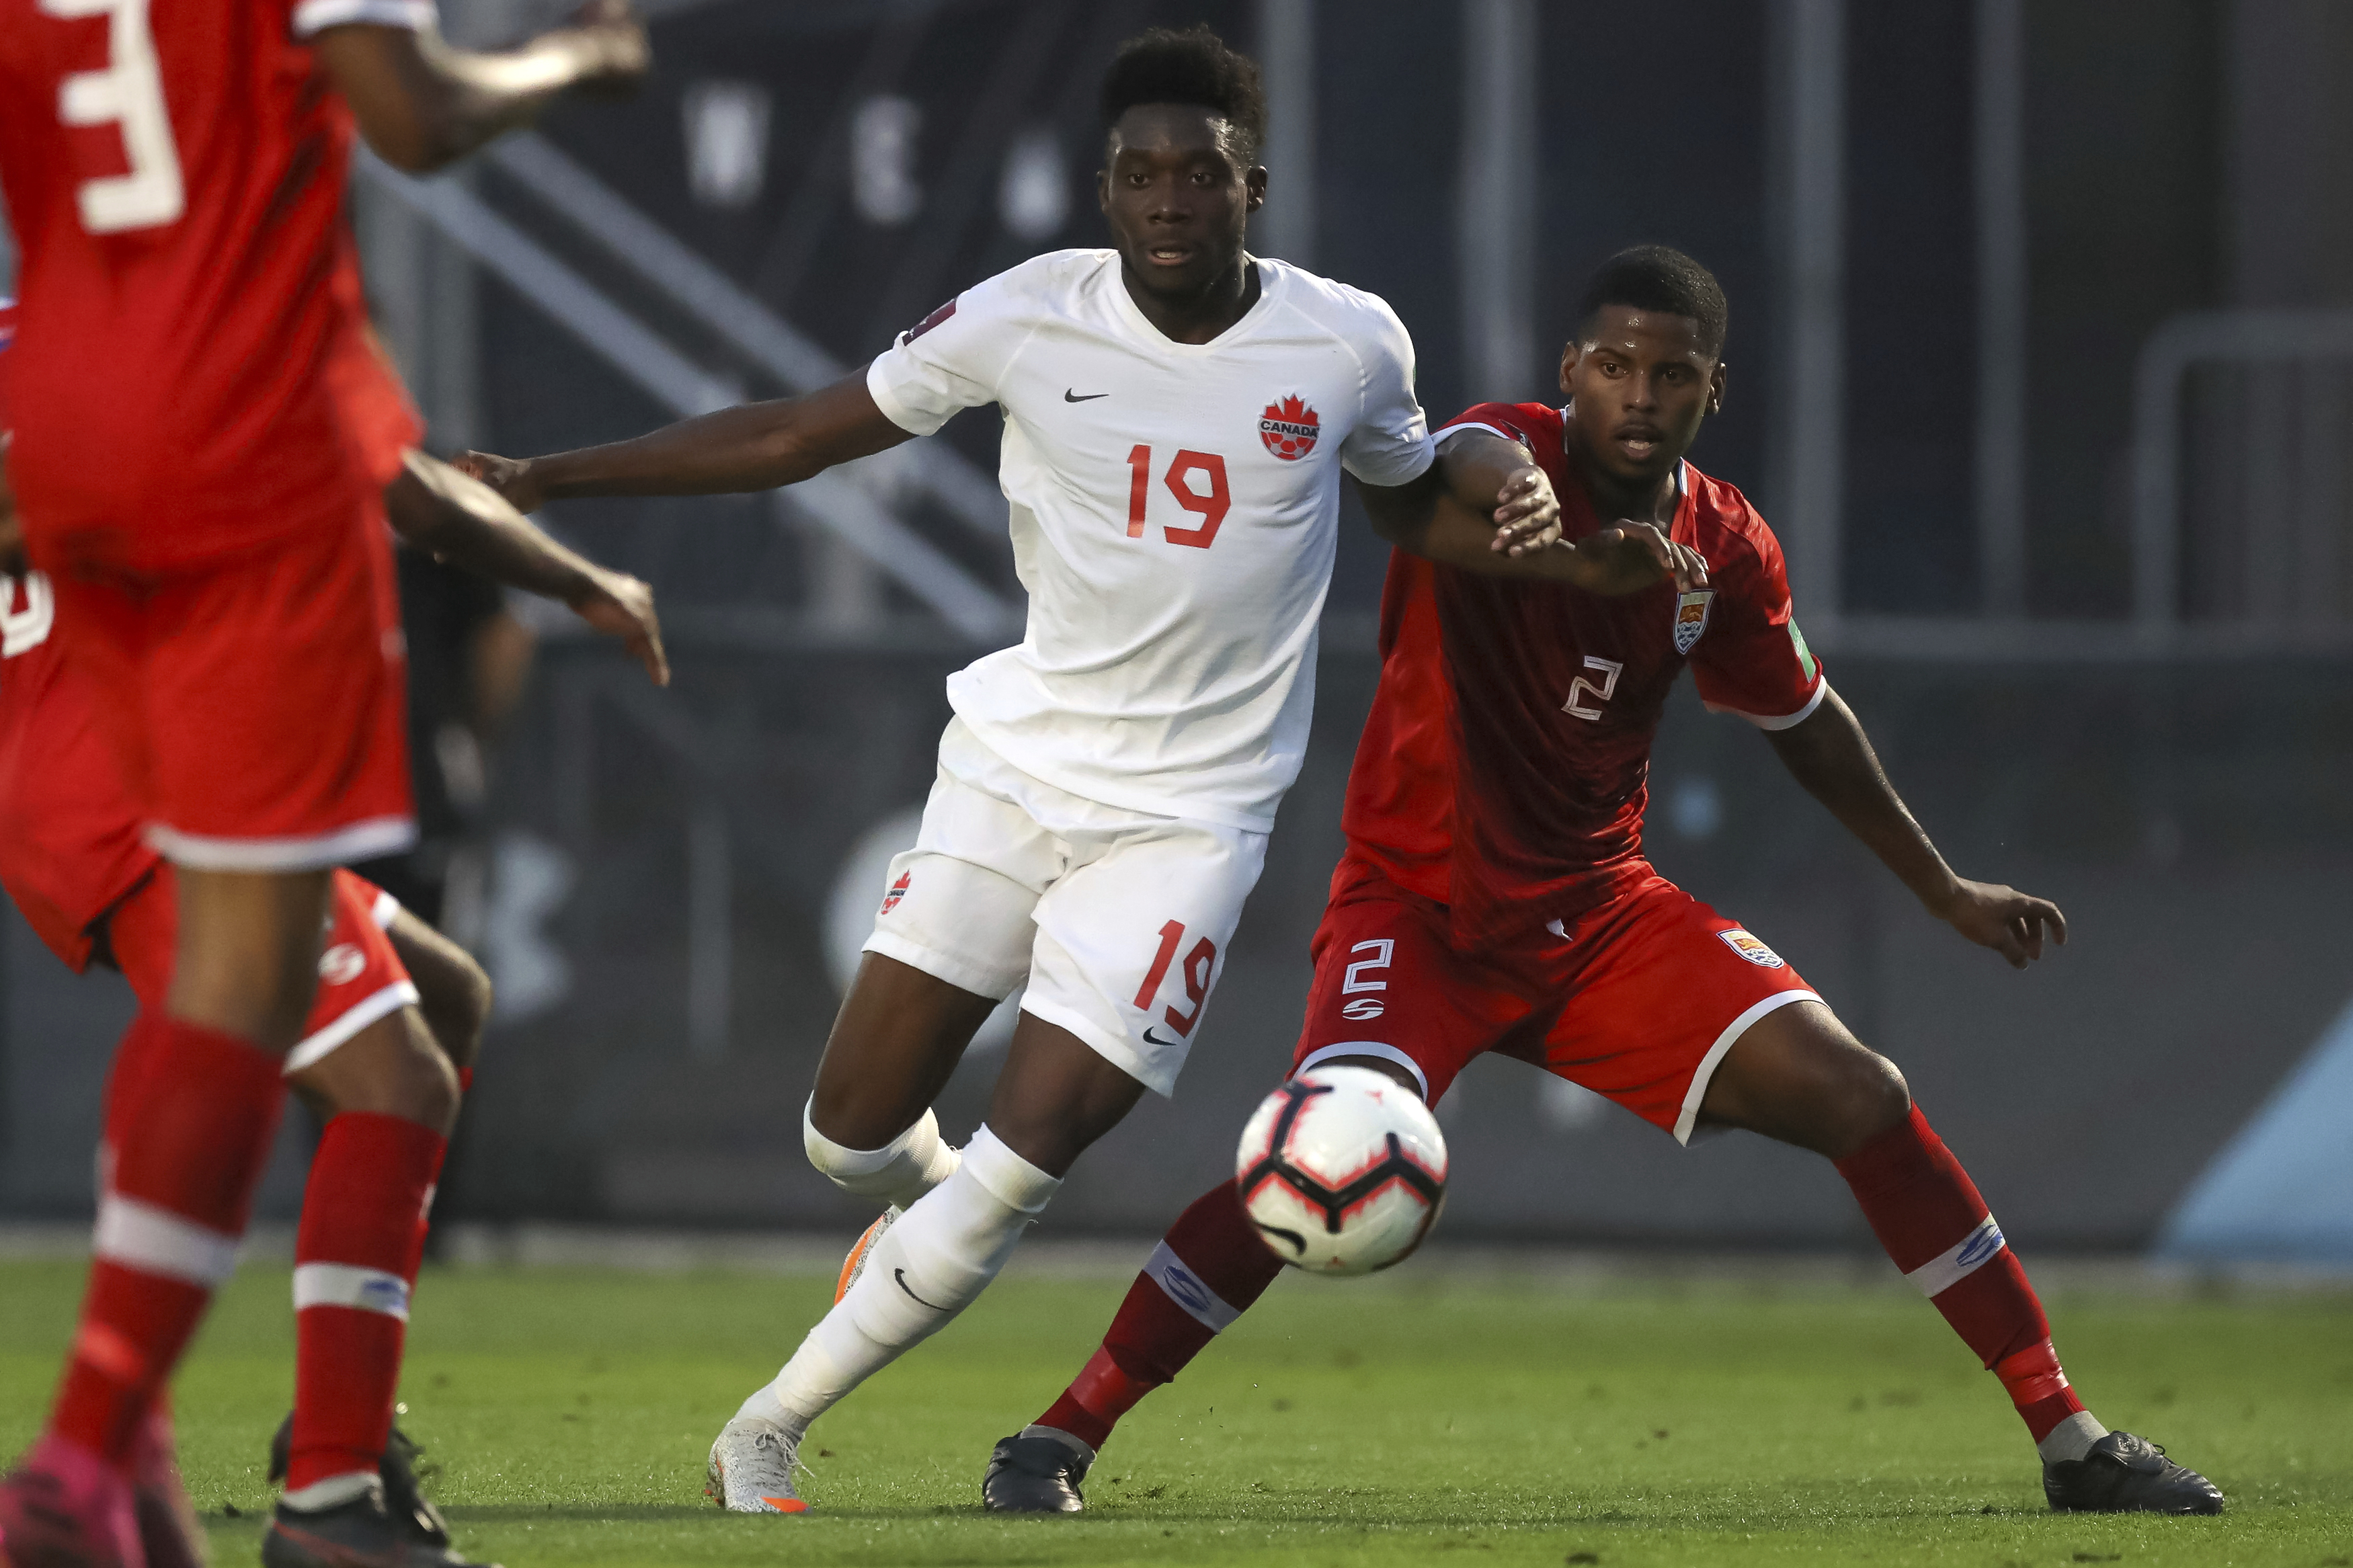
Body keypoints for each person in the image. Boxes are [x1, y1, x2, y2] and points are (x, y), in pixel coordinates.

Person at [455, 24, 1697, 1514]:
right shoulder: (1026, 316)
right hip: (1018, 766)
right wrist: (547, 479)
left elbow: (1417, 490)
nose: (1170, 197)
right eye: (1141, 173)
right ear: (1108, 192)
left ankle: (769, 1426)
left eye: (1201, 173)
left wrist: (1535, 532)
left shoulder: (1348, 338)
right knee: (845, 1135)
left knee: (1031, 1146)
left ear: (1255, 187)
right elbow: (799, 431)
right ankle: (916, 1214)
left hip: (1192, 819)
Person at [978, 247, 2225, 1518]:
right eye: (1615, 367)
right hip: (1419, 909)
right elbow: (1459, 461)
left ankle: (2071, 1437)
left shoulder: (1723, 549)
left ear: (1711, 391)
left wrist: (1943, 886)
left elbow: (1807, 721)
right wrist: (1529, 497)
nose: (1639, 394)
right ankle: (1058, 1436)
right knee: (1313, 1155)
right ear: (1570, 373)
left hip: (1597, 914)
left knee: (1861, 1092)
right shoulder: (1492, 459)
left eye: (1671, 374)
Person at [0, 5, 647, 1562]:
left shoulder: (70, 328)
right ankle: (301, 1489)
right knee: (380, 1068)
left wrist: (569, 575)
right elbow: (411, 120)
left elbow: (402, 479)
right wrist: (582, 60)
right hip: (121, 748)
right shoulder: (236, 314)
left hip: (80, 738)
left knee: (445, 995)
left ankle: (227, 1445)